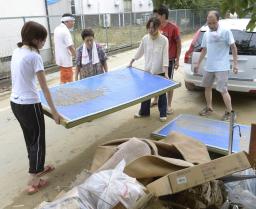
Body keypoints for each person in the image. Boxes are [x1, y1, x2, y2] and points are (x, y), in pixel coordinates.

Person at [10, 21, 62, 194]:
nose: (44, 43)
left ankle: (37, 166)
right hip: (29, 104)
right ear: (34, 39)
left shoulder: (17, 51)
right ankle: (34, 179)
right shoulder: (34, 56)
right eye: (42, 39)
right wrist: (54, 112)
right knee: (38, 140)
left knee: (30, 138)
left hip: (15, 103)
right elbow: (44, 88)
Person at [194, 11, 238, 121]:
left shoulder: (226, 31)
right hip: (209, 66)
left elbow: (233, 47)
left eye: (213, 23)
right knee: (207, 87)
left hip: (222, 67)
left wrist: (235, 64)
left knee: (223, 90)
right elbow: (204, 49)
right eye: (209, 23)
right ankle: (209, 107)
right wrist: (198, 63)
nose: (211, 25)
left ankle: (230, 112)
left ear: (218, 20)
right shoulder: (207, 33)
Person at [129, 17, 169, 122]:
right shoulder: (145, 38)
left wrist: (166, 73)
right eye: (149, 28)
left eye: (153, 28)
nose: (151, 30)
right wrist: (131, 62)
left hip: (159, 72)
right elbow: (140, 51)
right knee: (146, 93)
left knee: (162, 94)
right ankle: (144, 112)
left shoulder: (164, 40)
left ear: (158, 28)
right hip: (147, 71)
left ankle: (163, 113)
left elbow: (165, 57)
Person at [151, 5, 181, 114]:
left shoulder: (173, 27)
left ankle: (169, 105)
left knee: (168, 82)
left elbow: (178, 44)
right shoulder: (156, 26)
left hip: (169, 60)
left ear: (163, 15)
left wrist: (177, 60)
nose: (156, 16)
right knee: (155, 79)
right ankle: (156, 99)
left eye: (158, 15)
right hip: (157, 59)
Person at [54, 13, 76, 84]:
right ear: (66, 21)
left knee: (63, 79)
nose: (73, 23)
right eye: (72, 21)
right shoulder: (65, 31)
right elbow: (70, 47)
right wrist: (77, 56)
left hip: (60, 59)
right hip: (66, 61)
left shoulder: (57, 29)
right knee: (68, 81)